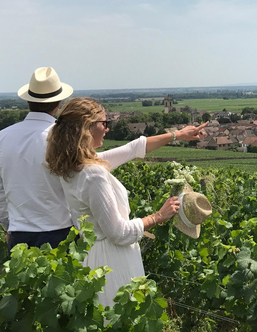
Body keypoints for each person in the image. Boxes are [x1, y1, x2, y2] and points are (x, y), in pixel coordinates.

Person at [45, 97, 208, 307]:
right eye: (104, 123)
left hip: (93, 256)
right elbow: (119, 233)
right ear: (86, 127)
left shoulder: (74, 165)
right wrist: (158, 216)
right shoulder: (93, 173)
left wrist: (178, 134)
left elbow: (133, 149)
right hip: (112, 261)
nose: (107, 129)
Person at [0, 67, 75, 251]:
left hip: (19, 235)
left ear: (28, 100)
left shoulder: (1, 138)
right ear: (59, 102)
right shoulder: (65, 138)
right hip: (62, 234)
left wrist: (9, 226)